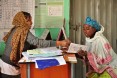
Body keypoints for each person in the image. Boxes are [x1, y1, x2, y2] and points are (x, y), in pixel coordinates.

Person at [0, 11, 71, 78]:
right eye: (29, 21)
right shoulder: (23, 31)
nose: (31, 23)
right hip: (9, 67)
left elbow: (28, 43)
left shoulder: (17, 29)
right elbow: (37, 42)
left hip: (7, 64)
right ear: (23, 22)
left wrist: (38, 47)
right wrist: (60, 43)